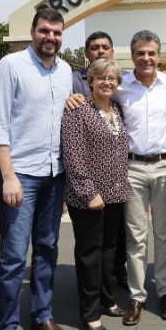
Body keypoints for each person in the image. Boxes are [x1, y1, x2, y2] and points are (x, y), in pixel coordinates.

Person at [0, 8, 73, 330]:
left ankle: (42, 315)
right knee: (12, 257)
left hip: (55, 175)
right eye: (44, 31)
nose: (50, 37)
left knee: (48, 249)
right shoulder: (10, 66)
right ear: (32, 31)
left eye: (56, 32)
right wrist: (8, 176)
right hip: (21, 176)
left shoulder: (66, 70)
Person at [113, 30, 166, 325]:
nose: (146, 58)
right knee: (136, 236)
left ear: (159, 56)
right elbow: (95, 92)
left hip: (165, 167)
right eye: (140, 53)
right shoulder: (121, 84)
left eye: (151, 53)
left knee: (164, 234)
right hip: (131, 168)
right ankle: (137, 295)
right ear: (132, 55)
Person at [61, 58, 130, 330]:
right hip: (88, 196)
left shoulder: (118, 109)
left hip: (116, 193)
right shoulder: (78, 110)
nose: (107, 82)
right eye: (101, 77)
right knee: (90, 253)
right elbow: (73, 155)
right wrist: (89, 192)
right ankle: (89, 313)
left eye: (112, 78)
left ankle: (107, 298)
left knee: (110, 250)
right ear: (90, 80)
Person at [71, 31, 130, 291]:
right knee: (91, 244)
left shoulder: (124, 83)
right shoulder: (73, 83)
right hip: (89, 183)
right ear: (86, 53)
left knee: (115, 240)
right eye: (95, 47)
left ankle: (113, 281)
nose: (100, 51)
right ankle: (92, 295)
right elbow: (74, 149)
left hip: (116, 182)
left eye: (105, 47)